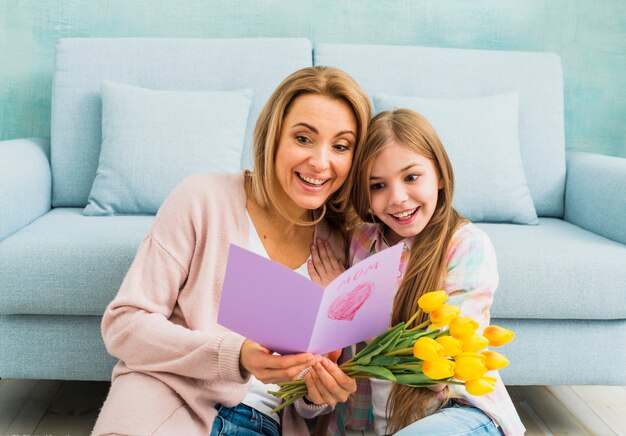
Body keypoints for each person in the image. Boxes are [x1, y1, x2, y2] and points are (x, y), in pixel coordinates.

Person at [92, 66, 372, 436]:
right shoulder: (202, 199)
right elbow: (124, 326)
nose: (320, 162)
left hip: (266, 424)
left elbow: (310, 404)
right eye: (303, 139)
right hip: (167, 399)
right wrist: (236, 356)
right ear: (273, 136)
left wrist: (319, 391)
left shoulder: (343, 245)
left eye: (340, 146)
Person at [308, 109, 525, 435]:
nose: (397, 198)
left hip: (457, 412)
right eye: (378, 185)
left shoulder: (466, 246)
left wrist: (345, 303)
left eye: (411, 177)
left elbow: (438, 366)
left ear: (439, 175)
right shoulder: (361, 242)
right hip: (369, 424)